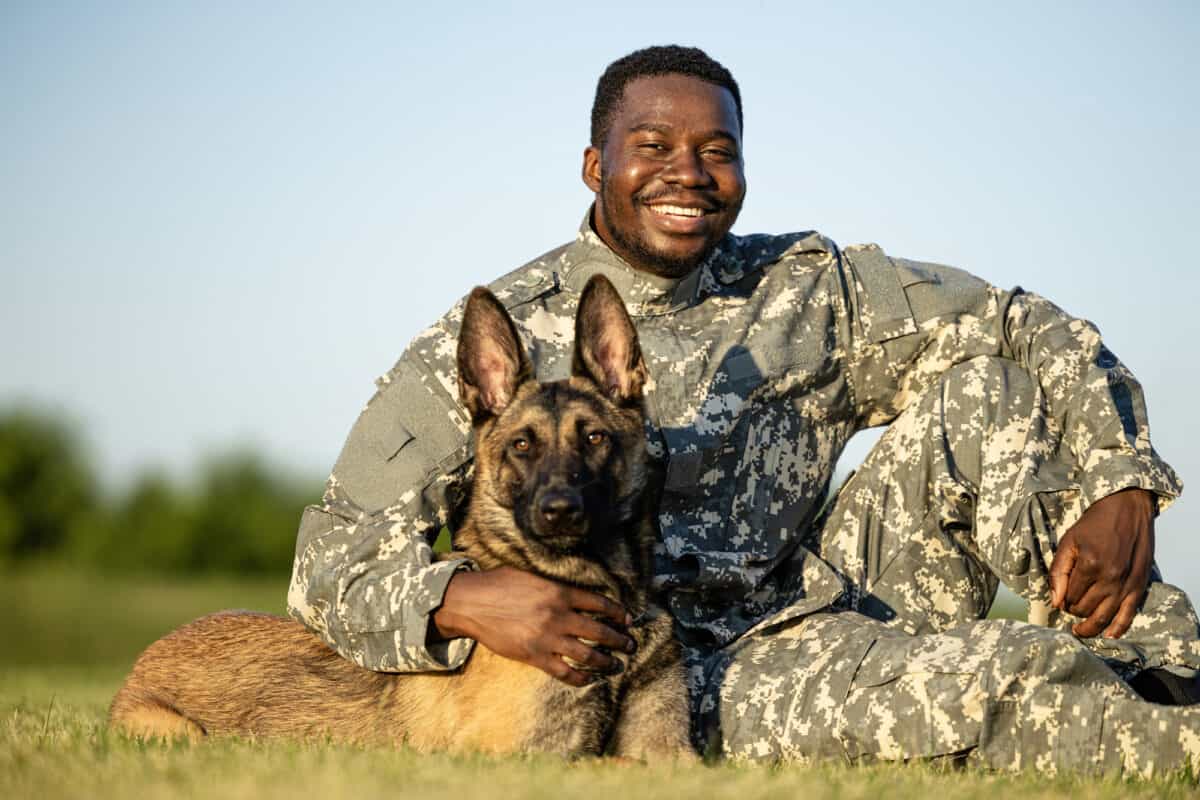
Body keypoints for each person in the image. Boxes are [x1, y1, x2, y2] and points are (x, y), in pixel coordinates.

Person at [287, 45, 1200, 774]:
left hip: (833, 598)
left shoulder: (808, 288)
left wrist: (1124, 480)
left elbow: (1023, 323)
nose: (687, 173)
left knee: (988, 390)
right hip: (684, 672)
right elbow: (329, 564)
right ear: (596, 165)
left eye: (716, 151)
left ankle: (1171, 673)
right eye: (653, 147)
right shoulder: (493, 337)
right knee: (998, 676)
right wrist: (465, 598)